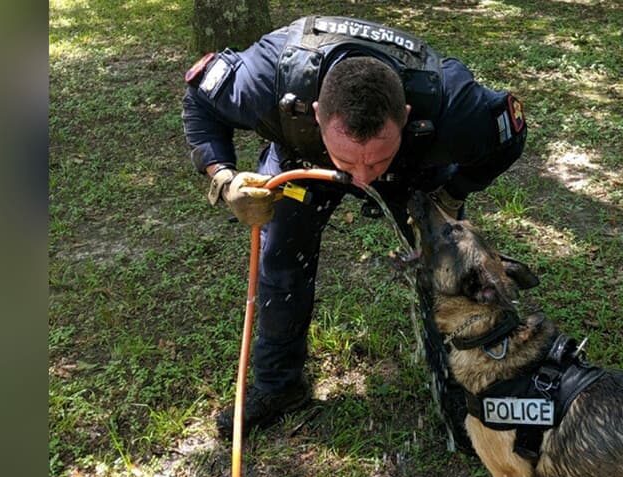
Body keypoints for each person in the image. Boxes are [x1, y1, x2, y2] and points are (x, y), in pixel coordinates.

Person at [182, 15, 527, 447]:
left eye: (374, 161)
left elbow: (511, 136)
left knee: (441, 273)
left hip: (413, 168)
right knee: (282, 262)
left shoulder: (455, 106)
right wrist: (224, 178)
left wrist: (452, 192)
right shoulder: (263, 80)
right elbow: (199, 98)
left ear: (404, 116)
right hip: (303, 159)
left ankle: (457, 391)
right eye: (350, 161)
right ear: (315, 114)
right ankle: (279, 387)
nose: (362, 179)